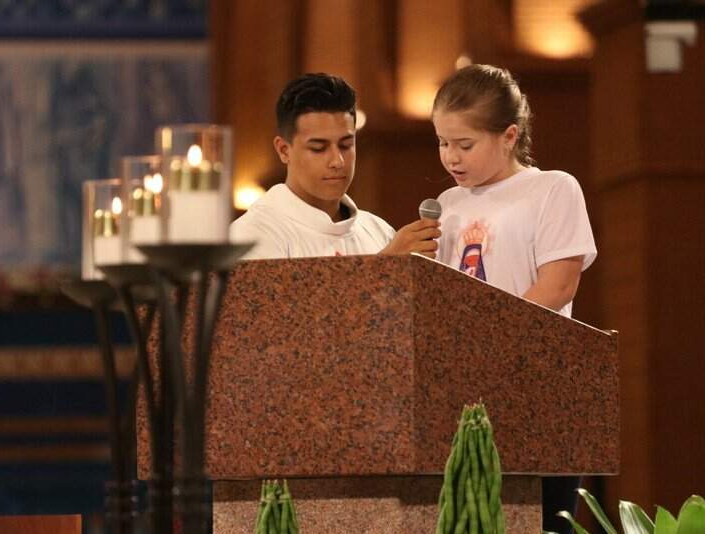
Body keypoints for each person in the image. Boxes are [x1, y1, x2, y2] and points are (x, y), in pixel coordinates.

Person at [431, 64, 597, 533]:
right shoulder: (448, 204)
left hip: (536, 384)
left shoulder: (551, 189)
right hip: (464, 391)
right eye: (442, 142)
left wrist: (492, 343)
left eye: (465, 145)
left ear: (509, 135)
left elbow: (559, 285)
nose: (451, 157)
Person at [230, 73, 440, 259]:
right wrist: (388, 267)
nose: (337, 161)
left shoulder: (377, 230)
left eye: (346, 145)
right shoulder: (252, 234)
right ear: (284, 150)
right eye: (318, 148)